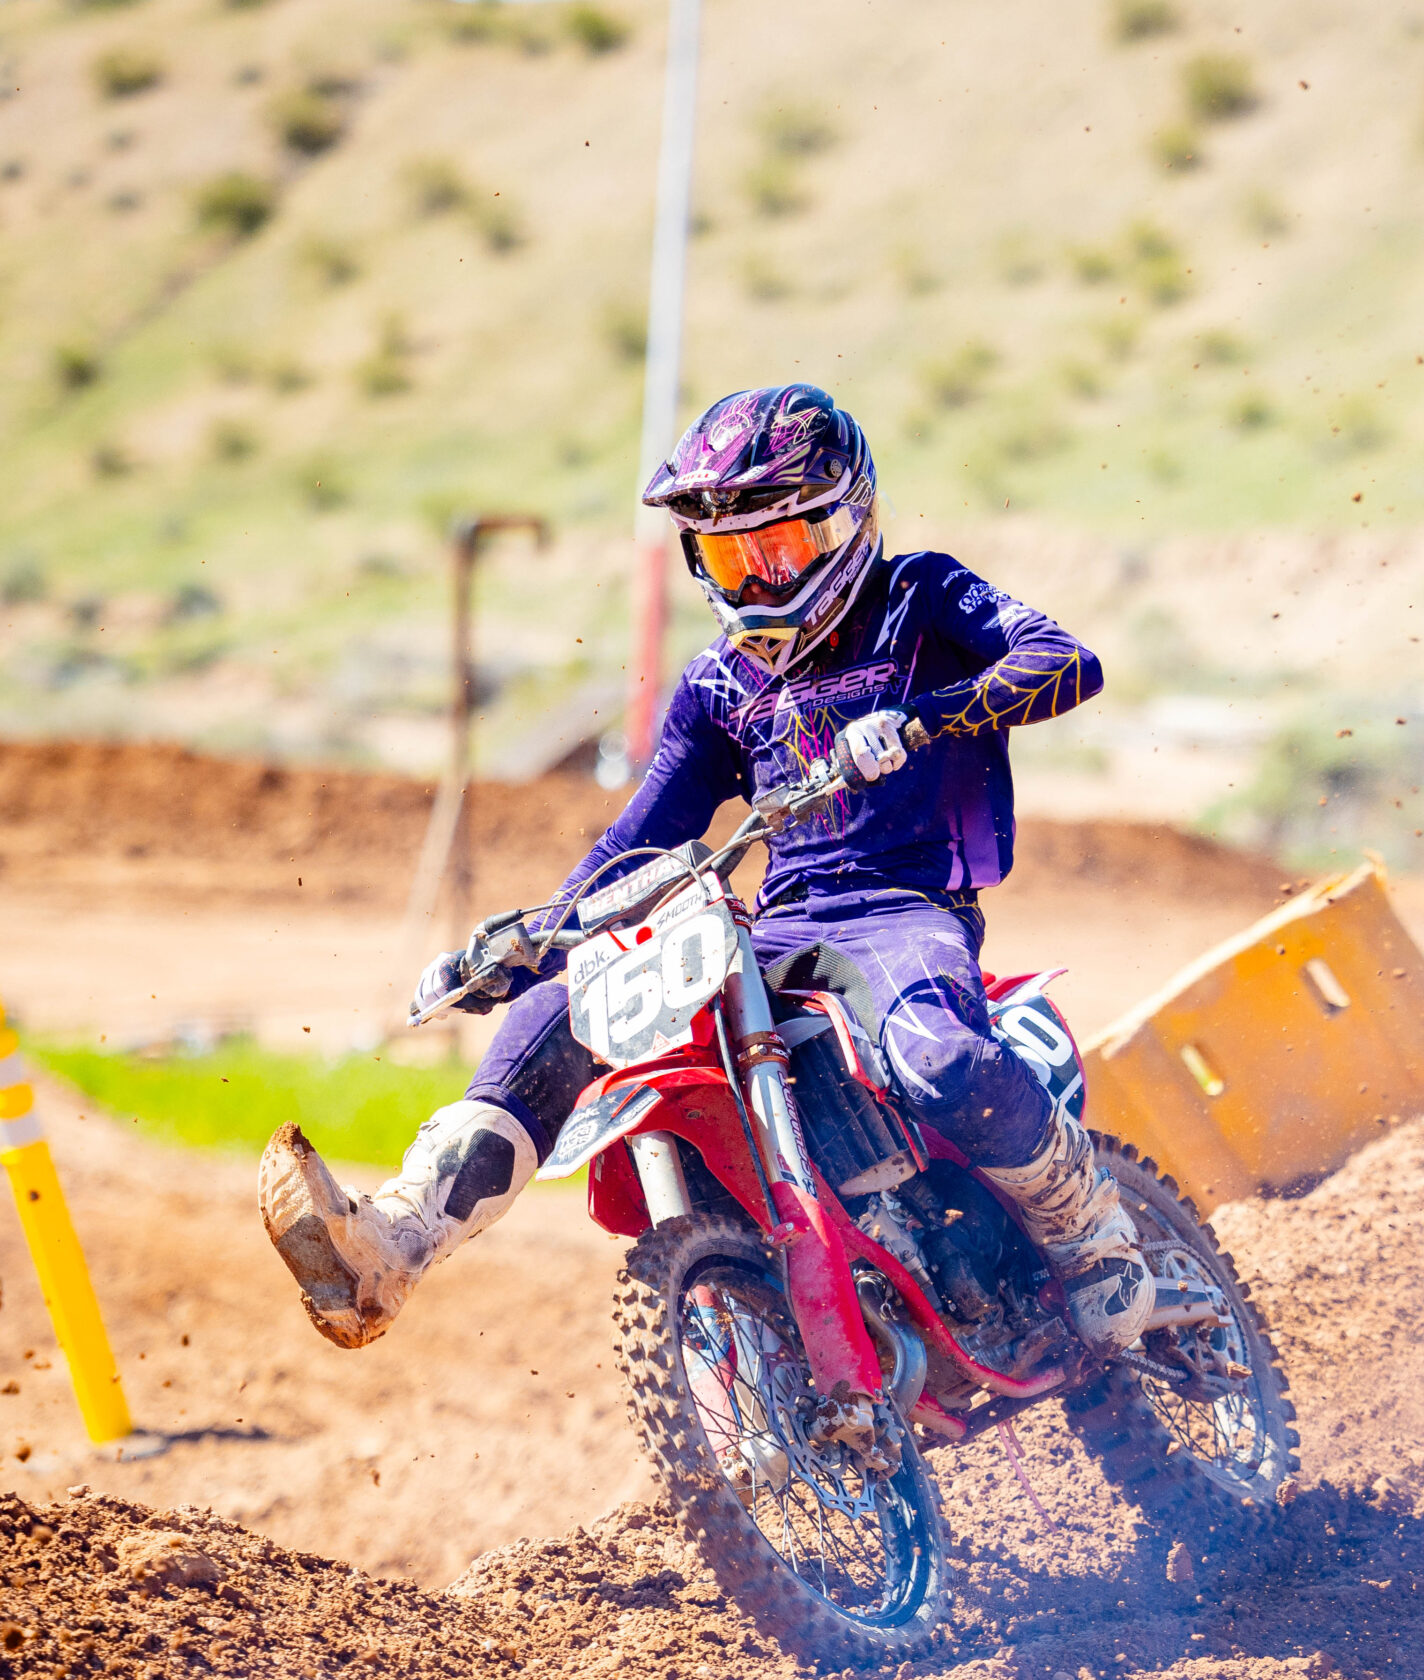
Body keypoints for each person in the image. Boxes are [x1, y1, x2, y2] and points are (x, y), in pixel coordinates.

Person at [259, 381, 1155, 1357]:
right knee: (568, 1003)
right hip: (774, 927)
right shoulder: (718, 683)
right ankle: (393, 1244)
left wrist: (918, 720)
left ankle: (1088, 1226)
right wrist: (529, 942)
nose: (759, 583)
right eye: (731, 558)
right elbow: (638, 841)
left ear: (845, 520)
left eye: (780, 550)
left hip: (902, 910)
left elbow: (1065, 660)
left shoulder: (919, 596)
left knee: (935, 1056)